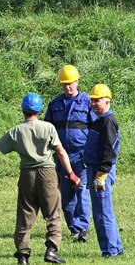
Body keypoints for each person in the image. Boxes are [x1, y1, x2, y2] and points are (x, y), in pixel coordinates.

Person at [0, 93, 81, 265]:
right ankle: (52, 249)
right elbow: (60, 151)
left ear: (23, 110)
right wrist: (71, 173)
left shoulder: (16, 131)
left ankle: (23, 255)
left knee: (25, 214)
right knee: (53, 213)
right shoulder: (48, 127)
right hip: (47, 173)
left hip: (27, 175)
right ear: (39, 110)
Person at [44, 65, 96, 242]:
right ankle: (74, 228)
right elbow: (47, 129)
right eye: (64, 84)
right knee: (66, 193)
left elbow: (96, 128)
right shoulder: (55, 104)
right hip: (61, 156)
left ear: (77, 81)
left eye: (71, 83)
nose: (68, 87)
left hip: (81, 155)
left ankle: (83, 229)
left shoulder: (88, 102)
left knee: (81, 189)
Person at [83, 84, 124, 258]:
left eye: (97, 100)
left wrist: (101, 175)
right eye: (92, 100)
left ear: (107, 101)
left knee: (102, 212)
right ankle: (116, 247)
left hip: (101, 171)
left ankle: (110, 251)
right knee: (104, 209)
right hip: (97, 169)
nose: (93, 103)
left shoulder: (107, 121)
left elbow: (109, 150)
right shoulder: (100, 120)